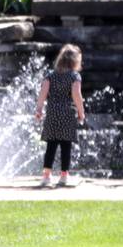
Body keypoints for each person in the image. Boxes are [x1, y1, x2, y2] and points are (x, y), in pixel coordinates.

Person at [34, 45, 86, 188]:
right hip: (67, 114)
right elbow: (76, 95)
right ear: (75, 61)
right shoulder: (74, 76)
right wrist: (81, 112)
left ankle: (46, 176)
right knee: (65, 146)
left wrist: (39, 110)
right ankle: (63, 176)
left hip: (52, 113)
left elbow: (43, 93)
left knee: (51, 145)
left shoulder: (50, 75)